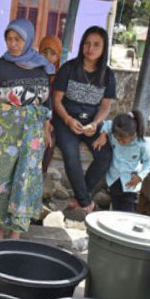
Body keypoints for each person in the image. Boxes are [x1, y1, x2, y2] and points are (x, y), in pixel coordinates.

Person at [0, 19, 54, 240]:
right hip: (3, 134)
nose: (12, 44)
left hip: (32, 135)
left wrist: (47, 129)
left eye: (17, 39)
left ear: (28, 39)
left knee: (25, 180)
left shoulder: (42, 68)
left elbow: (46, 105)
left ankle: (15, 236)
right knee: (0, 179)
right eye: (9, 39)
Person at [52, 26, 116, 214]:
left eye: (96, 44)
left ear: (104, 48)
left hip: (91, 122)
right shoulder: (69, 68)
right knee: (71, 154)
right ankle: (87, 203)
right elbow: (56, 100)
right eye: (87, 43)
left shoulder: (108, 75)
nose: (90, 48)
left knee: (105, 155)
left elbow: (105, 106)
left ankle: (80, 198)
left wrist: (95, 124)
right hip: (65, 119)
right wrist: (68, 120)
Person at [92, 110, 150, 212]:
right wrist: (102, 135)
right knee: (116, 206)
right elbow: (107, 124)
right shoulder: (115, 131)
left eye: (123, 139)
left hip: (130, 184)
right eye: (117, 138)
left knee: (127, 213)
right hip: (114, 179)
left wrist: (140, 176)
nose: (120, 141)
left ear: (133, 134)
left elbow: (149, 161)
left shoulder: (142, 145)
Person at [38, 35, 62, 173]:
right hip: (35, 115)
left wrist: (49, 123)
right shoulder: (32, 72)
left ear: (58, 57)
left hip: (52, 119)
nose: (48, 57)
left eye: (53, 54)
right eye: (44, 52)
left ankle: (40, 177)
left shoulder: (60, 76)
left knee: (50, 142)